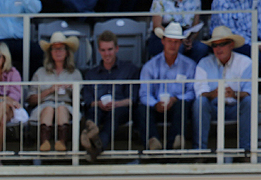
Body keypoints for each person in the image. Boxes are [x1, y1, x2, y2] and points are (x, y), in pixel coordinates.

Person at [80, 31, 139, 161]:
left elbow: (132, 99)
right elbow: (88, 100)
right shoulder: (91, 74)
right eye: (103, 50)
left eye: (110, 49)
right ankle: (92, 132)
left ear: (116, 49)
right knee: (93, 111)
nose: (107, 53)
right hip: (99, 108)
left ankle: (94, 141)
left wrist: (116, 103)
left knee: (114, 114)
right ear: (99, 51)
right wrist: (99, 104)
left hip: (120, 109)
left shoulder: (129, 69)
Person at [138, 22, 197, 152]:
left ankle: (176, 141)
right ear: (163, 41)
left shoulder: (189, 65)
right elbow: (144, 94)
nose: (173, 45)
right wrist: (155, 104)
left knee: (182, 105)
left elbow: (192, 91)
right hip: (156, 107)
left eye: (176, 42)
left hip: (177, 108)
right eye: (170, 41)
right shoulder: (150, 65)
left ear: (181, 43)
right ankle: (152, 141)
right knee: (142, 108)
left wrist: (175, 99)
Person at [193, 26, 252, 156]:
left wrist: (234, 94)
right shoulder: (204, 63)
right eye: (215, 45)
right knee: (200, 103)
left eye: (222, 44)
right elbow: (200, 92)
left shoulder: (245, 62)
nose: (218, 49)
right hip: (212, 109)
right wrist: (212, 94)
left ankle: (245, 152)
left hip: (235, 108)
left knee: (248, 102)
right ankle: (199, 152)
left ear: (231, 44)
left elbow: (249, 91)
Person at [28, 32, 83, 153]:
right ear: (50, 53)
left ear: (67, 52)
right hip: (44, 106)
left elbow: (80, 101)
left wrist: (72, 89)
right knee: (49, 108)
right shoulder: (40, 72)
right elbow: (31, 100)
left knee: (61, 108)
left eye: (61, 49)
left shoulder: (75, 73)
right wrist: (49, 90)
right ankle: (44, 143)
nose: (58, 52)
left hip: (66, 106)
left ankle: (62, 142)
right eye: (54, 49)